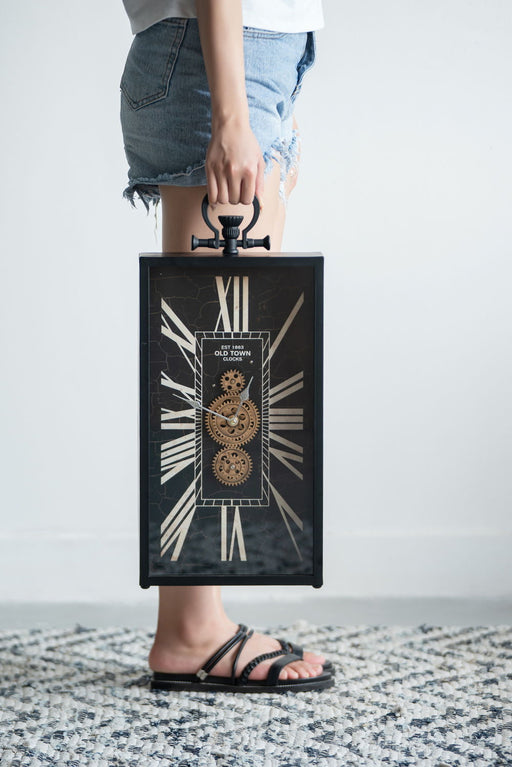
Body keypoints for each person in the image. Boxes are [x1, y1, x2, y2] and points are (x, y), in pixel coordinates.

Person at [120, 0, 333, 692]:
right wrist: (233, 115)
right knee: (217, 368)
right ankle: (189, 631)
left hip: (233, 60)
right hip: (221, 62)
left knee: (219, 363)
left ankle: (197, 620)